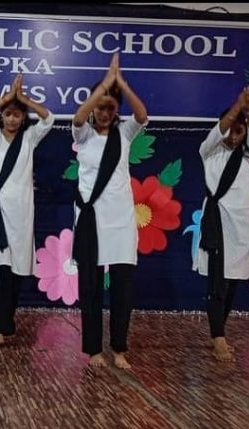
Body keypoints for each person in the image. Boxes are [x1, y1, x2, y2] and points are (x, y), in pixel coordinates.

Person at [71, 53, 148, 369]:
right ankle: (93, 350)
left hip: (121, 222)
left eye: (110, 108)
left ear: (117, 110)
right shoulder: (83, 134)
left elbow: (142, 115)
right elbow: (79, 117)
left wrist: (120, 85)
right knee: (90, 288)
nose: (104, 113)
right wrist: (104, 85)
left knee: (122, 288)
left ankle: (119, 348)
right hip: (91, 221)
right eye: (100, 107)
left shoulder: (125, 133)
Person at [0, 74, 53, 345]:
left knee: (17, 272)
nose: (11, 119)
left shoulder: (29, 139)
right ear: (2, 116)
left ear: (23, 118)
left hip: (21, 215)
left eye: (17, 114)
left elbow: (49, 119)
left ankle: (8, 321)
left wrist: (24, 100)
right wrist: (6, 99)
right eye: (7, 114)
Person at [194, 86, 249, 362]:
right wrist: (237, 106)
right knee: (217, 282)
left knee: (233, 282)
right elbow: (222, 129)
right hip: (218, 224)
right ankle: (219, 337)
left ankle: (217, 332)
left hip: (242, 228)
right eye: (230, 130)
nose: (234, 136)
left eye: (239, 131)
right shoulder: (209, 151)